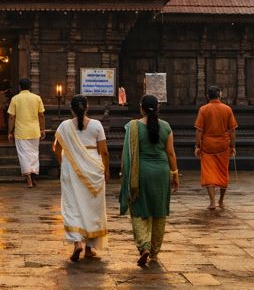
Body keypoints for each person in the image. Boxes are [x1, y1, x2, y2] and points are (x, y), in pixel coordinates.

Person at [120, 95, 179, 267]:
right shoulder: (166, 126)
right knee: (159, 210)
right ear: (157, 108)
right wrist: (175, 173)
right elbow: (170, 153)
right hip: (162, 172)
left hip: (141, 173)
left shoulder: (133, 127)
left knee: (139, 208)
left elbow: (127, 154)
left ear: (141, 108)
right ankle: (154, 251)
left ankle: (144, 245)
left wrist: (125, 173)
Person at [53, 95, 110, 262]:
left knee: (72, 204)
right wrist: (106, 170)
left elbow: (56, 148)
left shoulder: (64, 126)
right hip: (93, 168)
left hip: (71, 169)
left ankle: (77, 242)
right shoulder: (96, 125)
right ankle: (89, 248)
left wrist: (63, 162)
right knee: (92, 207)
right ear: (87, 108)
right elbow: (104, 151)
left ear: (71, 109)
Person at [194, 86, 238, 210]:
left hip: (207, 145)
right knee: (223, 172)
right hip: (223, 145)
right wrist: (232, 146)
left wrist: (197, 146)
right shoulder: (227, 109)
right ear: (220, 95)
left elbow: (199, 130)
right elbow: (232, 130)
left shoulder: (204, 109)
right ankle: (221, 200)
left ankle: (212, 202)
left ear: (208, 96)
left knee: (209, 172)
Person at [7, 78, 45, 187]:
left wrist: (10, 131)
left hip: (21, 131)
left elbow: (11, 117)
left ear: (19, 87)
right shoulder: (37, 98)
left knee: (23, 155)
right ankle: (33, 176)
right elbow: (41, 115)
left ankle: (28, 178)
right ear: (30, 87)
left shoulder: (15, 99)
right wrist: (42, 129)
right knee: (34, 154)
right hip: (34, 131)